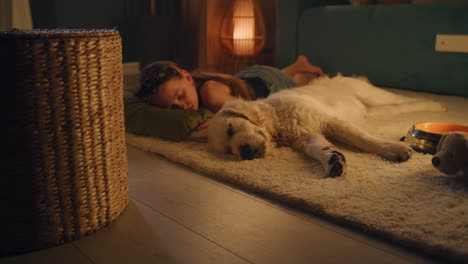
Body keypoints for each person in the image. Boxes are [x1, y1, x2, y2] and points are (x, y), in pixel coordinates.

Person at [136, 55, 324, 130]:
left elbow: (249, 110)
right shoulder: (199, 84)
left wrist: (213, 122)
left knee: (307, 84)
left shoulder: (210, 94)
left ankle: (300, 70)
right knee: (255, 82)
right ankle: (296, 65)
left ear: (187, 77)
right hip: (249, 76)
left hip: (269, 82)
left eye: (180, 95)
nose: (182, 106)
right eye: (172, 107)